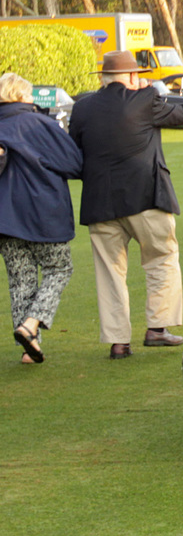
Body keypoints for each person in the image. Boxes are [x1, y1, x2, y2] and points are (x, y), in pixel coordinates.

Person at [69, 50, 183, 359]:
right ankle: (158, 328)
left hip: (99, 202)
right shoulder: (146, 98)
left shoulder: (82, 108)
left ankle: (118, 342)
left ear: (104, 78)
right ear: (133, 77)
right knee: (161, 258)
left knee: (109, 273)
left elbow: (75, 152)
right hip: (146, 197)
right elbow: (181, 114)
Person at [0, 72, 83, 364]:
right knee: (59, 269)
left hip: (5, 219)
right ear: (22, 96)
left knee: (20, 281)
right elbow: (73, 163)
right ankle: (31, 324)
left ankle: (29, 347)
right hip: (42, 213)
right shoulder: (39, 124)